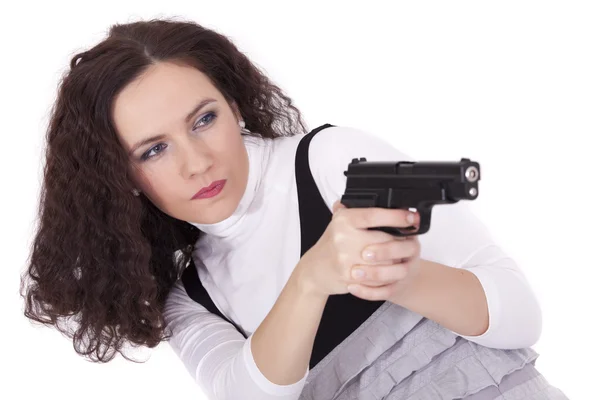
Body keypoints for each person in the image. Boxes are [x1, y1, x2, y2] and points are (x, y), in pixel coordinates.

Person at [20, 18, 568, 400]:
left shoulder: (333, 160)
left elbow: (522, 316)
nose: (196, 162)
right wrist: (311, 280)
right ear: (125, 178)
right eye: (154, 149)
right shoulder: (191, 299)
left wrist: (395, 276)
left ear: (234, 108)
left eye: (204, 119)